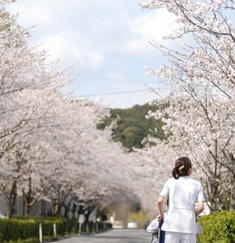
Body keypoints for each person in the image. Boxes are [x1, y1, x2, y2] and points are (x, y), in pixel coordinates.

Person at [157, 157, 205, 243]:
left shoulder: (170, 182)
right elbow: (201, 207)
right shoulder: (197, 185)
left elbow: (160, 200)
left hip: (171, 225)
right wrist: (194, 215)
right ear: (190, 170)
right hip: (189, 226)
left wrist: (162, 215)